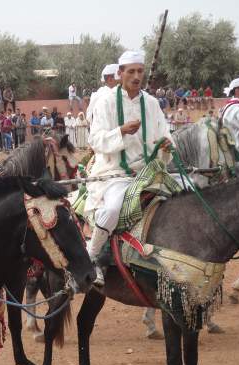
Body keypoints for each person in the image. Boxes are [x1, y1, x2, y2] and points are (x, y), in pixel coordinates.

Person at [85, 51, 173, 286]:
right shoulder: (106, 102)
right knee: (112, 209)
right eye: (131, 71)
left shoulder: (152, 103)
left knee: (187, 192)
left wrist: (167, 144)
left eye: (140, 71)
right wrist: (121, 131)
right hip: (115, 173)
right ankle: (92, 256)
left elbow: (165, 134)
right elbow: (95, 140)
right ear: (120, 73)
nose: (136, 76)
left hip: (150, 172)